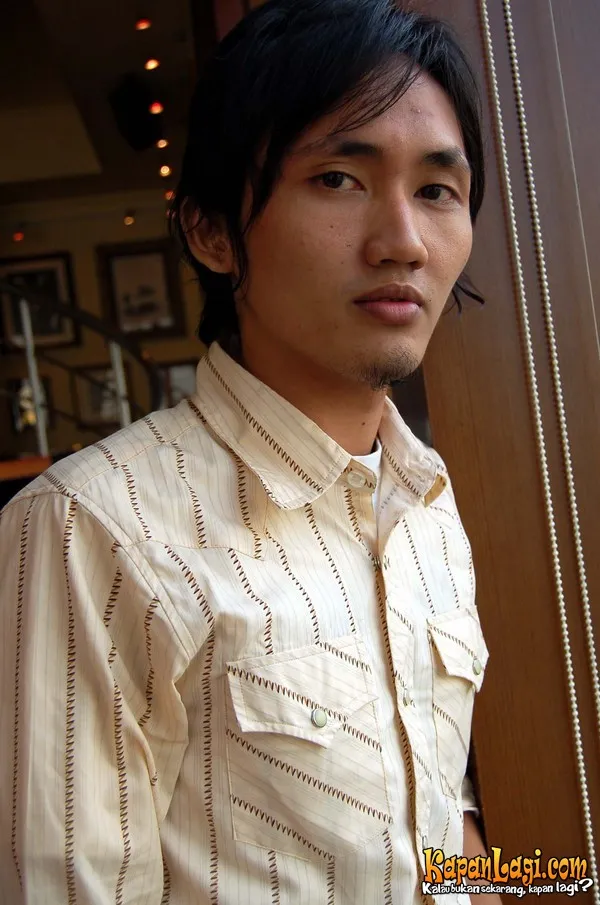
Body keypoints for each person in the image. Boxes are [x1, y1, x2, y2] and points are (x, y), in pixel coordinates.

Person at [0, 1, 501, 902]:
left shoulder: (428, 503)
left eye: (436, 191)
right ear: (211, 232)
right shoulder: (92, 527)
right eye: (339, 178)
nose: (404, 242)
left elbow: (436, 805)